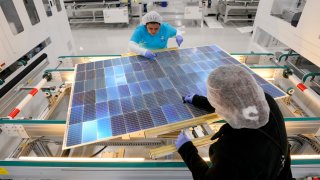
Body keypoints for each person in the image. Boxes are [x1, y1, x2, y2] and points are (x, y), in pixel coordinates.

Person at [176, 65, 292, 180]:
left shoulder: (231, 153)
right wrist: (198, 100)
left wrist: (186, 149)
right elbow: (236, 103)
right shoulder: (268, 103)